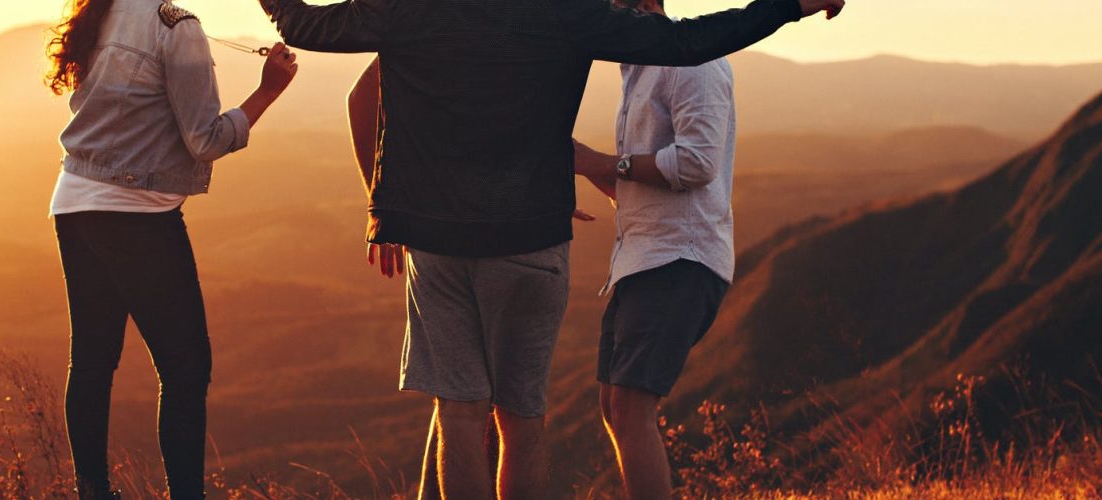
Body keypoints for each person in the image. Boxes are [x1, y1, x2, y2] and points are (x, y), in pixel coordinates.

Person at [306, 0, 846, 496]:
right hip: (574, 248)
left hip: (645, 253)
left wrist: (384, 205)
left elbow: (696, 159)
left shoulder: (437, 14)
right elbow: (680, 64)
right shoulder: (596, 39)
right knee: (562, 414)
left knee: (480, 412)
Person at [45, 0, 298, 498]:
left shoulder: (103, 12)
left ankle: (92, 490)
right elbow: (204, 140)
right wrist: (268, 91)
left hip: (74, 203)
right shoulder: (177, 27)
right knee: (186, 369)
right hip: (137, 215)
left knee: (94, 359)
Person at [572, 0, 738, 497]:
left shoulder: (694, 61)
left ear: (644, 6)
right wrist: (583, 166)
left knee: (629, 405)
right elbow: (642, 182)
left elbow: (697, 163)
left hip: (680, 258)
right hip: (640, 259)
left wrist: (604, 161)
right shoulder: (637, 70)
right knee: (614, 406)